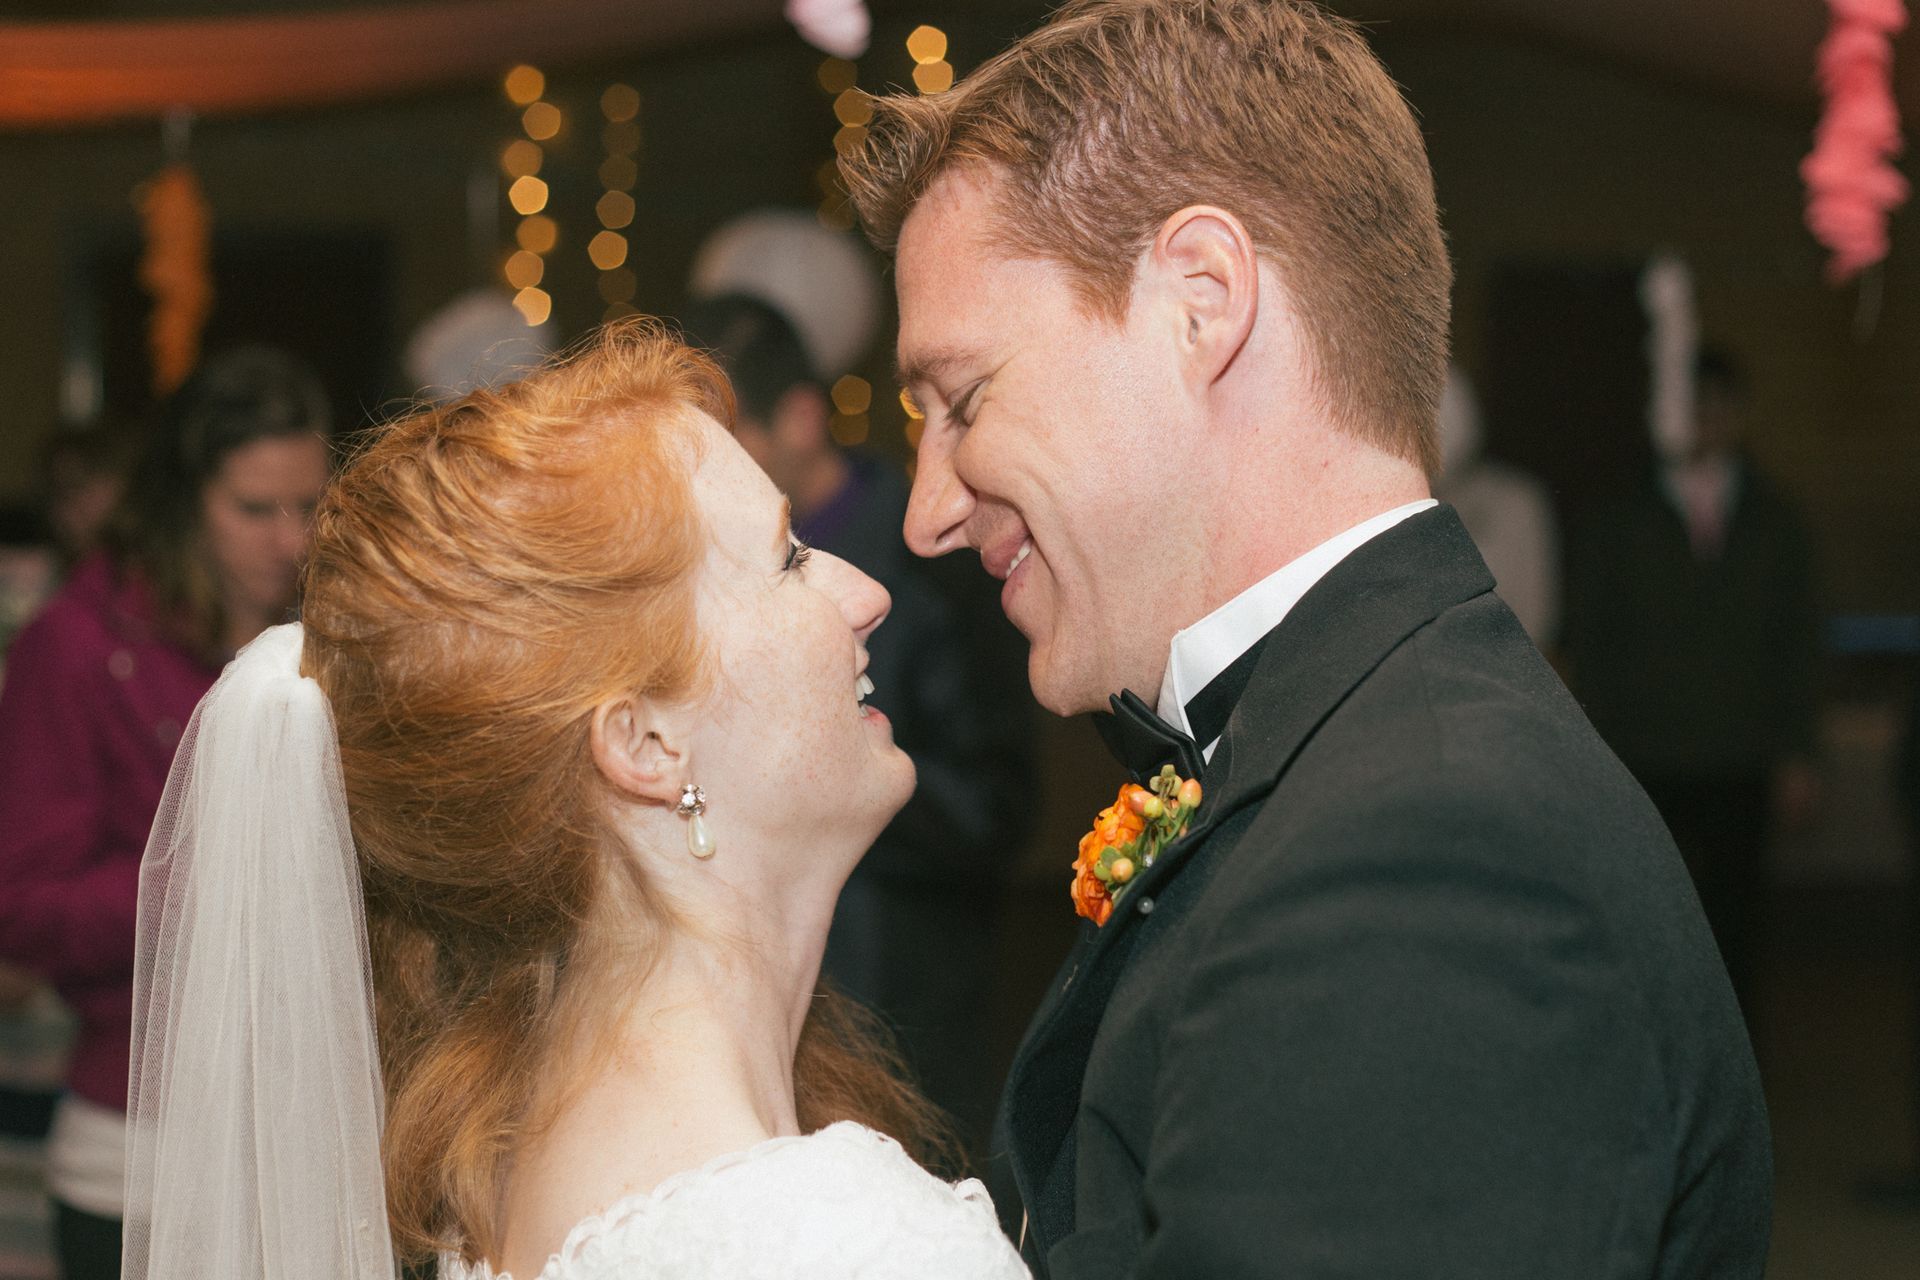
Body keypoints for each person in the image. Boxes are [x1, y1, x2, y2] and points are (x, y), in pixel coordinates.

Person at [840, 1, 1772, 1275]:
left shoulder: (1434, 850)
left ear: (1202, 302)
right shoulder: (1349, 754)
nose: (928, 510)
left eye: (964, 398)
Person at [120, 322, 1029, 1280]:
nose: (867, 593)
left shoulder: (501, 1176)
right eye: (789, 558)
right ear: (642, 742)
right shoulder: (852, 1248)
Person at [0, 346, 331, 1280]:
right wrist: (207, 871)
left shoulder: (335, 628)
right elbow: (22, 904)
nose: (290, 542)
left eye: (309, 507)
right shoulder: (77, 643)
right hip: (138, 1144)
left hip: (316, 1140)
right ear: (185, 501)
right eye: (255, 510)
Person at [679, 292, 1034, 1157]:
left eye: (731, 446)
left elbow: (997, 808)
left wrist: (834, 765)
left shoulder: (943, 563)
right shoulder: (704, 573)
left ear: (800, 419)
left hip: (909, 1007)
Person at [1564, 346, 1821, 1032]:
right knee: (1648, 917)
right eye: (1693, 408)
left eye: (1718, 407)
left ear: (1739, 416)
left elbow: (1798, 639)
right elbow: (1593, 640)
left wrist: (1798, 751)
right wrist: (1595, 748)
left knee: (1737, 921)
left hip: (1742, 752)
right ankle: (1656, 1056)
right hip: (1645, 752)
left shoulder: (1776, 519)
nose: (1706, 422)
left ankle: (1737, 1062)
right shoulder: (1618, 516)